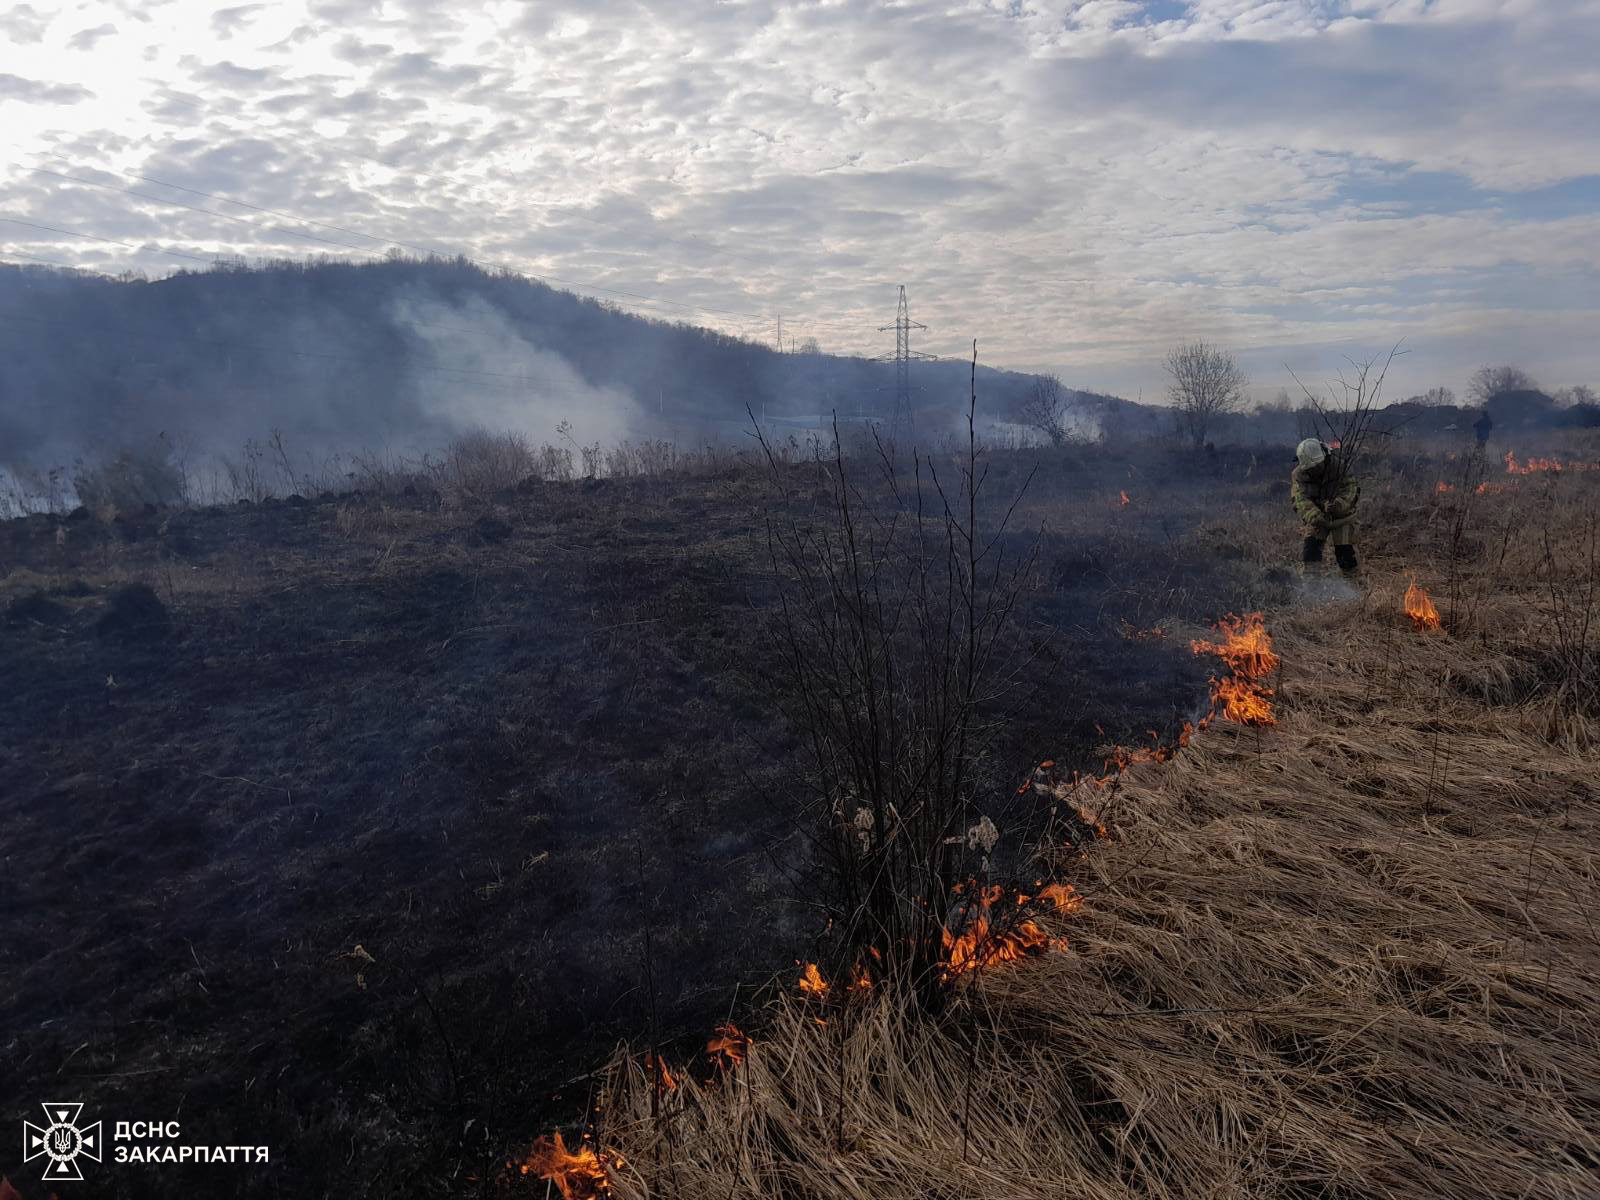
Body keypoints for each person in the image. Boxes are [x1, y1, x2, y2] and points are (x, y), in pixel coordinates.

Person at [1292, 438, 1360, 575]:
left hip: (1343, 517)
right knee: (1311, 551)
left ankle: (1352, 582)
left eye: (1318, 465)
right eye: (1311, 468)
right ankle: (1311, 583)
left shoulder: (1340, 467)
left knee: (1346, 554)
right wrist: (1314, 515)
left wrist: (1339, 504)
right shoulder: (1299, 475)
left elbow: (1351, 489)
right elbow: (1299, 499)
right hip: (1317, 518)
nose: (1315, 470)